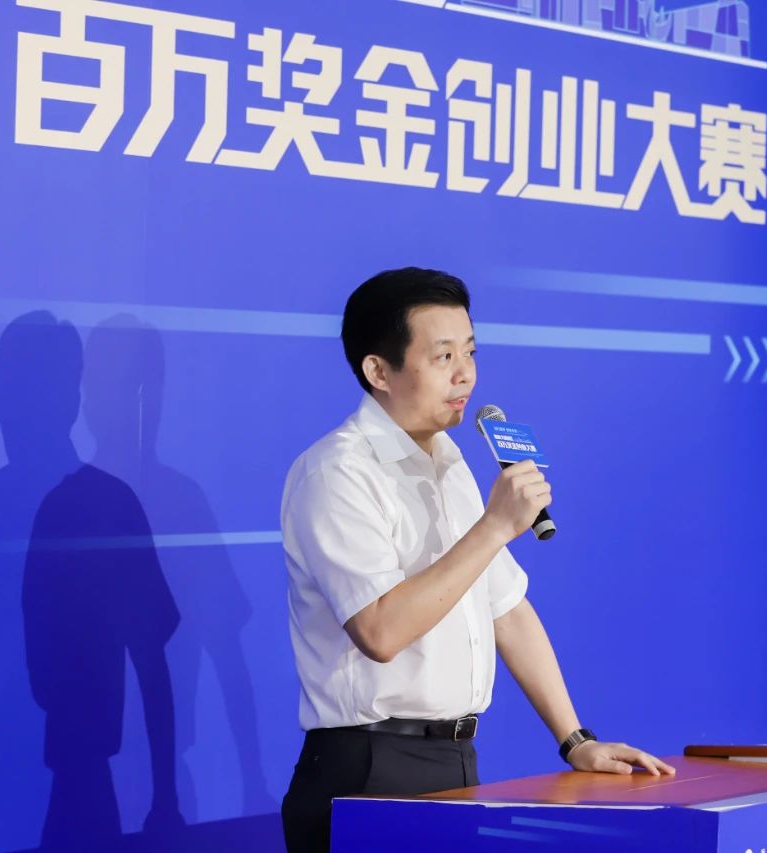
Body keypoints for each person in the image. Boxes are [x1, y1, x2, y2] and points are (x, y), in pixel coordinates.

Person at [279, 268, 675, 852]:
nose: (465, 373)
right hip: (367, 768)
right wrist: (493, 528)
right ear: (379, 371)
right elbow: (380, 630)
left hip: (456, 761)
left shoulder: (451, 463)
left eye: (469, 351)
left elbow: (506, 609)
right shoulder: (337, 472)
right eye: (443, 356)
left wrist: (575, 740)